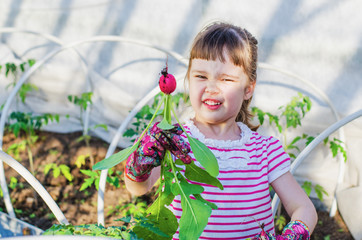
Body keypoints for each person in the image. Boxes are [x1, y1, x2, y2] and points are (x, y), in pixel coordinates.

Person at [124, 21, 318, 240]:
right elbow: (138, 187)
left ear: (248, 89)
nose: (212, 87)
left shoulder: (264, 150)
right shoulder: (175, 141)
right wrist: (140, 161)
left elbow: (304, 208)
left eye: (226, 79)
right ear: (188, 79)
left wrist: (295, 234)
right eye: (201, 76)